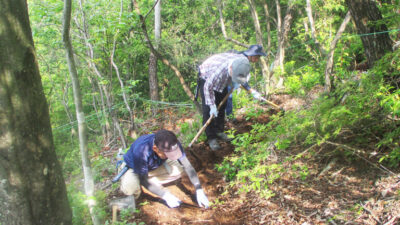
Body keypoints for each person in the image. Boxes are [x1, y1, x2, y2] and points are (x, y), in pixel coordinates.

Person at [198, 45, 266, 150]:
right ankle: (211, 138)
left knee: (222, 105)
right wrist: (212, 105)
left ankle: (219, 131)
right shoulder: (219, 72)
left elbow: (241, 78)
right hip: (206, 77)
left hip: (222, 79)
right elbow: (208, 87)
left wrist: (252, 91)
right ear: (230, 69)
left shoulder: (243, 63)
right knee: (208, 110)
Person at [118, 129, 209, 208]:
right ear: (155, 149)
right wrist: (165, 195)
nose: (172, 156)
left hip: (153, 166)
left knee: (179, 170)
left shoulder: (171, 142)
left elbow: (187, 166)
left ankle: (151, 182)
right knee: (131, 189)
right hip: (133, 168)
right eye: (168, 154)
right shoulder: (141, 151)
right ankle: (142, 183)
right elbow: (143, 179)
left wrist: (198, 189)